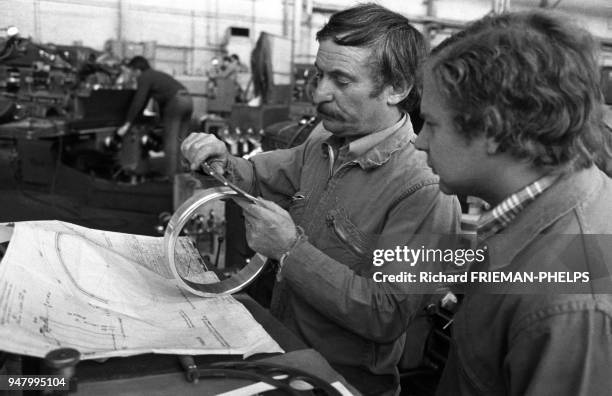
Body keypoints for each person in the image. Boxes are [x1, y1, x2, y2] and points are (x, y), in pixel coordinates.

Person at [181, 4, 461, 394]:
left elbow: (387, 313)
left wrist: (291, 251)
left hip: (342, 385)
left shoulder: (424, 189)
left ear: (397, 88)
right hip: (281, 359)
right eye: (319, 75)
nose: (319, 94)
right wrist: (219, 160)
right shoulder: (323, 141)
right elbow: (262, 176)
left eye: (341, 80)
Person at [414, 11, 612, 395]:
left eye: (432, 124)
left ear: (490, 127)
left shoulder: (572, 307)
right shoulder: (555, 203)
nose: (419, 141)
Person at [116, 56, 193, 176]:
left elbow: (139, 100)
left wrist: (127, 123)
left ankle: (171, 178)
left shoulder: (144, 77)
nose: (133, 76)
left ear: (137, 70)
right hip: (188, 100)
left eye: (132, 72)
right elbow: (146, 99)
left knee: (171, 141)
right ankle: (182, 177)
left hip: (176, 102)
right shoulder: (155, 75)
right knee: (180, 141)